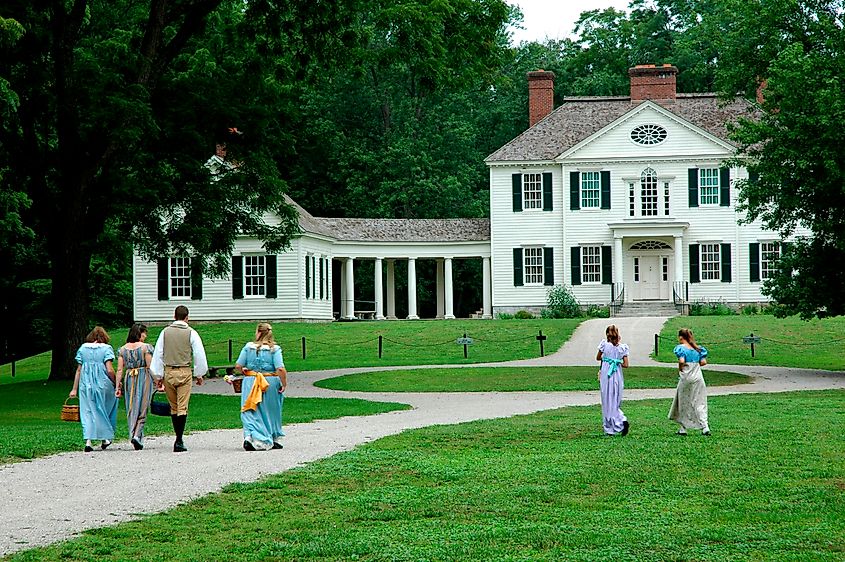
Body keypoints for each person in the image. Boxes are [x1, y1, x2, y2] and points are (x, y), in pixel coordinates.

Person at [150, 305, 208, 452]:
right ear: (187, 317)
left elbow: (158, 354)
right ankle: (179, 439)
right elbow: (199, 354)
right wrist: (199, 373)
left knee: (174, 406)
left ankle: (178, 437)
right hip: (184, 371)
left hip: (169, 371)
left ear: (174, 316)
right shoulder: (191, 333)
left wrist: (158, 375)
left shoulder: (165, 332)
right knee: (182, 406)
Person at [228, 322, 288, 451]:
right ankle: (269, 436)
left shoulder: (248, 347)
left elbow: (238, 366)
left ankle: (250, 436)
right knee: (270, 410)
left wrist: (244, 370)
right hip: (269, 382)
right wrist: (283, 383)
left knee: (250, 409)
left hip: (251, 381)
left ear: (259, 332)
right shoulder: (274, 349)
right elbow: (280, 368)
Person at [69, 326, 118, 452]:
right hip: (103, 384)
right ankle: (105, 437)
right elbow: (109, 369)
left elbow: (79, 370)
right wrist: (116, 382)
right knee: (105, 408)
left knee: (88, 411)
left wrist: (74, 389)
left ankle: (88, 440)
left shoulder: (83, 348)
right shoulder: (106, 348)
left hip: (86, 385)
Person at [115, 323, 156, 450]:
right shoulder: (146, 348)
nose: (145, 336)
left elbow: (120, 369)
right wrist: (158, 381)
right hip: (143, 376)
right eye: (144, 333)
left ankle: (133, 433)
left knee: (132, 406)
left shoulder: (122, 350)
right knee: (143, 406)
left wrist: (118, 386)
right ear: (140, 333)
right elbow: (150, 366)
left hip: (129, 377)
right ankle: (137, 435)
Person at [668, 328, 710, 436]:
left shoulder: (681, 348)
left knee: (683, 401)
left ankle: (683, 428)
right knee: (699, 401)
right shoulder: (697, 349)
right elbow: (703, 362)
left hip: (686, 377)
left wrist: (681, 368)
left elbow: (682, 360)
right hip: (698, 377)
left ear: (681, 337)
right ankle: (705, 426)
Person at [596, 324, 630, 436]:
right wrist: (616, 361)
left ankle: (610, 427)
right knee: (615, 400)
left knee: (606, 400)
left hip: (607, 374)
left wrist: (607, 359)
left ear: (607, 334)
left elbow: (598, 357)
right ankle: (621, 420)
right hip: (617, 375)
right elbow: (626, 365)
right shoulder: (622, 348)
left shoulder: (604, 345)